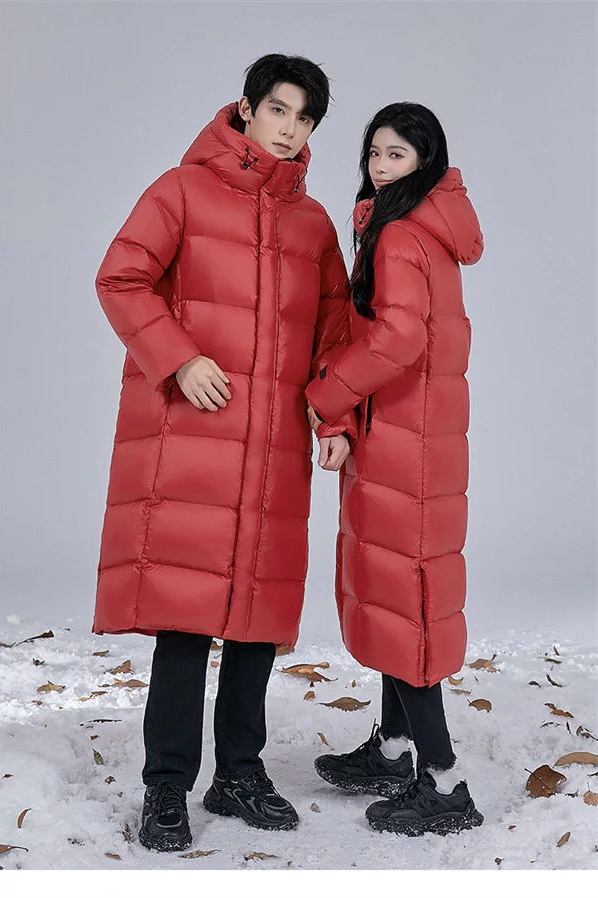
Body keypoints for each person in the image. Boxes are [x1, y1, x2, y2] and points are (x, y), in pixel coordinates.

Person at [92, 53, 356, 851]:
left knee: (254, 623)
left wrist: (335, 419)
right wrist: (178, 358)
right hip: (193, 442)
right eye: (278, 109)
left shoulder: (313, 225)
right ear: (245, 108)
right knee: (186, 620)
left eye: (304, 118)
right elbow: (121, 278)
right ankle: (166, 786)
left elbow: (334, 333)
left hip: (273, 450)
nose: (290, 128)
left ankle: (240, 772)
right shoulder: (180, 190)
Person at [305, 102, 485, 837]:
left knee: (403, 605)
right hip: (412, 437)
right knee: (394, 599)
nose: (380, 167)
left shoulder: (402, 233)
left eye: (397, 156)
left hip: (403, 443)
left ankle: (445, 783)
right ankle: (393, 748)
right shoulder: (414, 225)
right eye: (374, 153)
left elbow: (400, 338)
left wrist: (328, 394)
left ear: (425, 161)